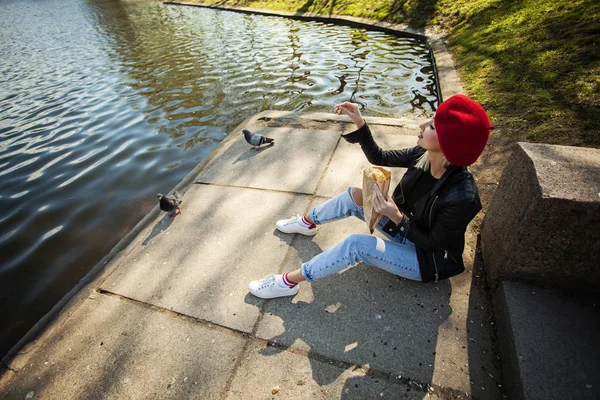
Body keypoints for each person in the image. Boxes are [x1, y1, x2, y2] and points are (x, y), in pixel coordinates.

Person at [248, 94, 495, 299]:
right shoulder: (424, 154)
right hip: (406, 230)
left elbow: (433, 244)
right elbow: (380, 158)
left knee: (357, 244)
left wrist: (396, 216)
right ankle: (307, 222)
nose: (421, 126)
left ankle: (287, 282)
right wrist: (360, 123)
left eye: (431, 126)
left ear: (449, 142)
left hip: (427, 259)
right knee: (356, 195)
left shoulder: (462, 196)